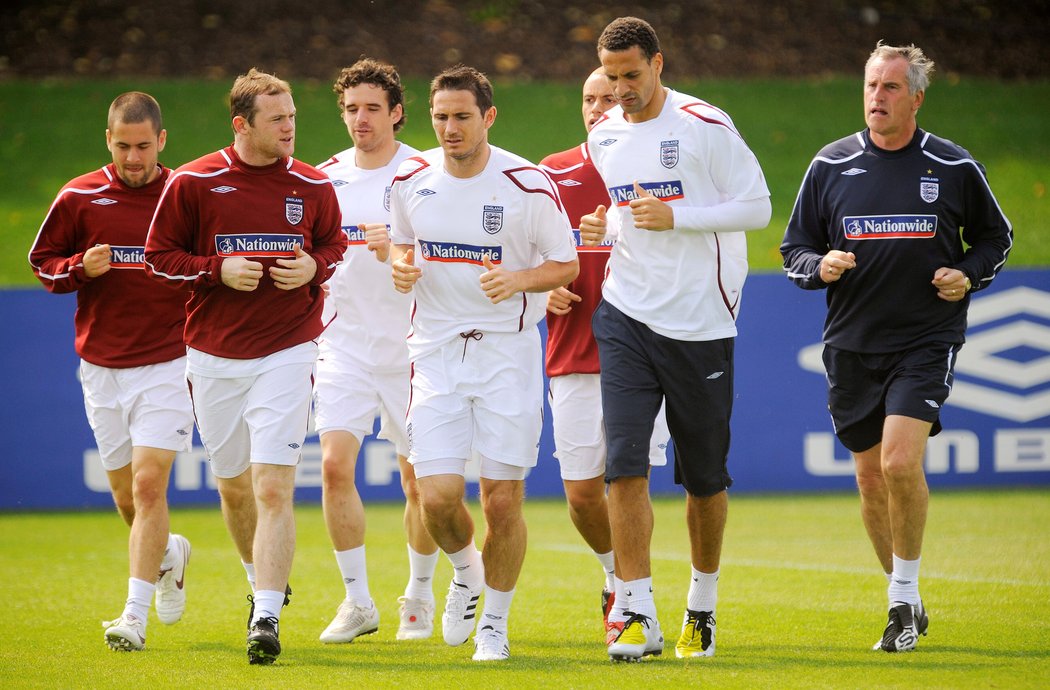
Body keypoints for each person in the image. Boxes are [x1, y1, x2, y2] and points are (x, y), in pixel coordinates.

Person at [780, 42, 1012, 653]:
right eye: (870, 86)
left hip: (926, 338)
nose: (876, 98)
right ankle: (906, 594)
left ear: (916, 97)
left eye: (889, 88)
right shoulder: (829, 166)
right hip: (852, 342)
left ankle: (900, 602)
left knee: (899, 463)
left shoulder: (954, 166)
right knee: (868, 478)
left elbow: (996, 238)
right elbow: (794, 250)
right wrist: (819, 264)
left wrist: (968, 273)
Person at [580, 17, 772, 662]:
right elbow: (628, 212)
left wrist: (679, 217)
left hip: (699, 322)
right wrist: (609, 227)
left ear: (659, 63)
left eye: (632, 74)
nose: (621, 88)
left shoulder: (704, 125)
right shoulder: (603, 136)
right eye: (611, 76)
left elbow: (757, 207)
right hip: (625, 310)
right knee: (624, 462)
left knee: (703, 480)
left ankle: (703, 603)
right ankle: (635, 611)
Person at [144, 68, 347, 665]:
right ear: (242, 124)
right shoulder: (193, 182)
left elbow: (334, 245)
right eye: (277, 119)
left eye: (292, 118)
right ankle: (258, 578)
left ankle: (266, 614)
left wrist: (314, 267)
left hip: (288, 349)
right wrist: (215, 269)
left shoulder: (312, 184)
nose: (290, 128)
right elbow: (158, 259)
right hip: (212, 354)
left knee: (273, 487)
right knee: (233, 488)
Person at [388, 65, 579, 661]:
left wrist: (519, 279)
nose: (450, 127)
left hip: (506, 355)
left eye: (462, 116)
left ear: (488, 117)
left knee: (502, 497)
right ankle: (466, 571)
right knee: (437, 496)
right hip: (437, 352)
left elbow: (565, 263)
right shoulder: (411, 178)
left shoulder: (527, 183)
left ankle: (493, 624)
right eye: (441, 116)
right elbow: (399, 239)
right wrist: (400, 263)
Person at [28, 92, 194, 653]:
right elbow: (43, 264)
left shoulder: (183, 194)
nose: (132, 157)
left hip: (171, 362)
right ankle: (169, 555)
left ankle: (133, 616)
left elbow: (206, 264)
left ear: (161, 141)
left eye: (143, 146)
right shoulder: (78, 195)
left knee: (150, 486)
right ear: (108, 141)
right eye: (123, 146)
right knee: (127, 499)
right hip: (101, 367)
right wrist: (80, 267)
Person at [538, 68, 671, 646]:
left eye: (607, 98)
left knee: (627, 480)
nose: (597, 108)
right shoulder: (551, 173)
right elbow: (520, 255)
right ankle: (615, 574)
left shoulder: (654, 166)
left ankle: (635, 599)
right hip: (572, 351)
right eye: (588, 99)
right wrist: (541, 289)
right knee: (581, 493)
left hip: (641, 351)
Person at [313, 58, 440, 644]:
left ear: (395, 113)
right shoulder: (321, 178)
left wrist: (398, 254)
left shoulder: (424, 172)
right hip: (342, 346)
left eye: (371, 108)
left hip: (413, 349)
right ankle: (357, 601)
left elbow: (443, 257)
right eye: (350, 109)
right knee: (335, 465)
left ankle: (417, 594)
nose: (360, 119)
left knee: (419, 485)